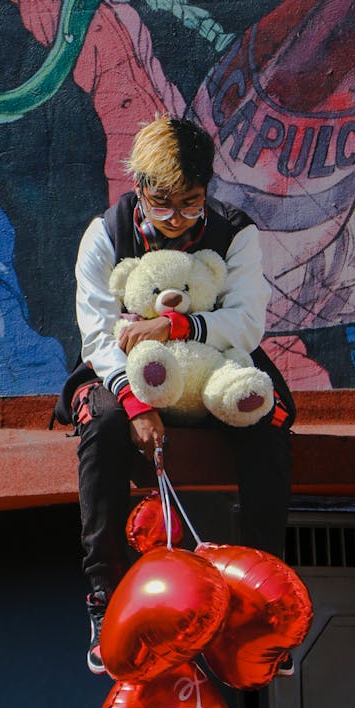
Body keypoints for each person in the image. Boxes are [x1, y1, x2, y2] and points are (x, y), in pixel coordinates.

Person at [55, 113, 296, 675]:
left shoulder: (235, 233)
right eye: (162, 204)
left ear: (206, 190)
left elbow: (246, 322)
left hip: (216, 361)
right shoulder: (105, 236)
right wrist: (137, 405)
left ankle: (266, 605)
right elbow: (97, 333)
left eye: (190, 203)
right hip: (122, 368)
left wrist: (176, 328)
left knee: (269, 419)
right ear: (138, 187)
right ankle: (104, 597)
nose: (176, 219)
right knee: (105, 423)